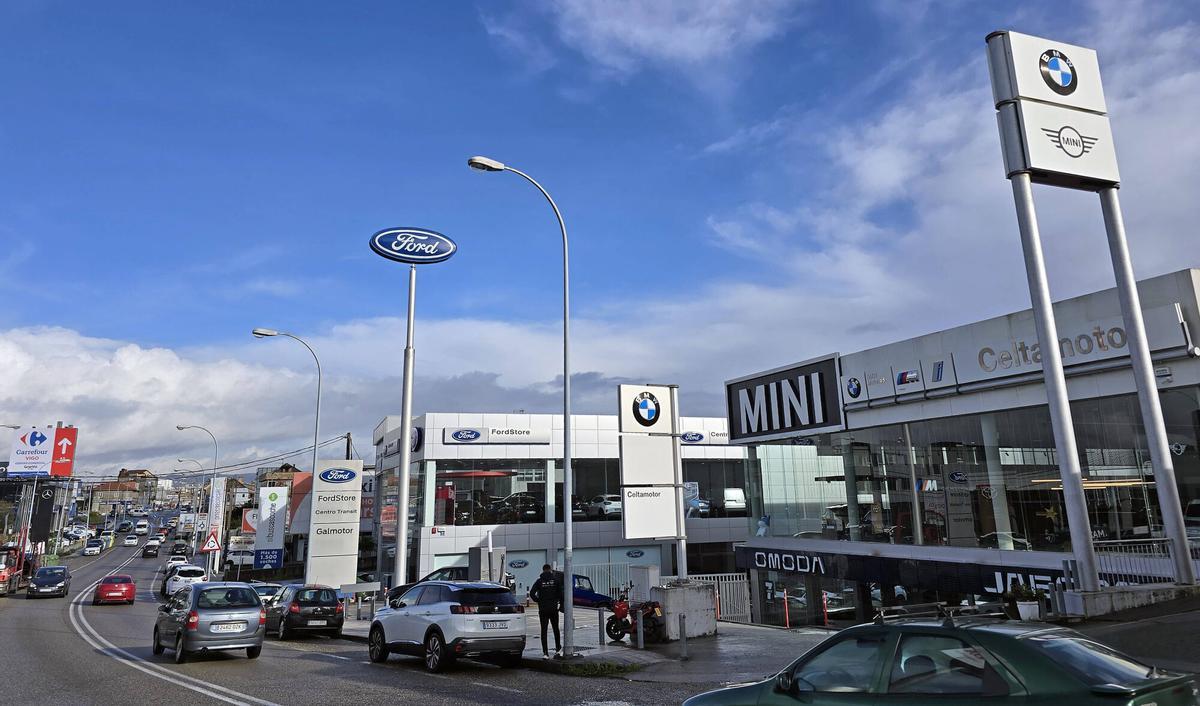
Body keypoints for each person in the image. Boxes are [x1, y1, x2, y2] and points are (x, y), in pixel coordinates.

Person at [528, 564, 562, 659]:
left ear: (543, 570)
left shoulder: (539, 581)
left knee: (544, 630)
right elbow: (561, 594)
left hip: (543, 609)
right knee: (556, 629)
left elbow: (531, 593)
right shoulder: (556, 581)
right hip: (553, 608)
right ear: (550, 570)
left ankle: (545, 653)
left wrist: (538, 600)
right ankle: (558, 649)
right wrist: (559, 604)